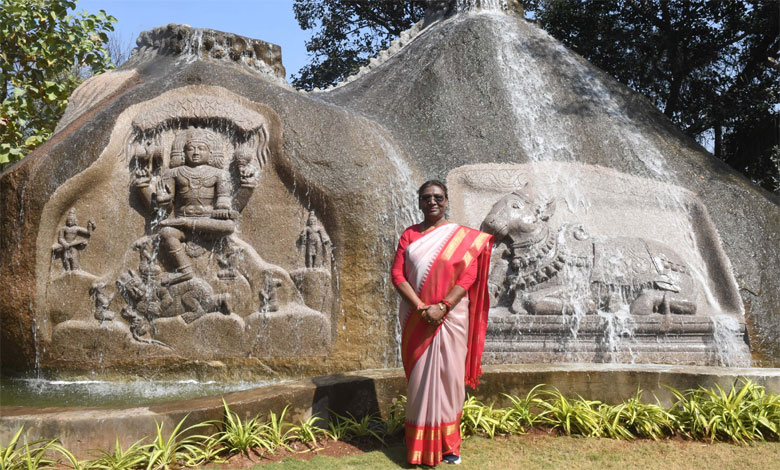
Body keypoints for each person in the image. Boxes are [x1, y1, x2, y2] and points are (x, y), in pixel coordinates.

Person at [391, 180, 493, 466]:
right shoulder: (409, 235)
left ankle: (449, 446)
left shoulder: (463, 238)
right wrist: (423, 307)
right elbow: (397, 275)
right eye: (426, 198)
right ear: (419, 202)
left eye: (438, 197)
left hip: (452, 318)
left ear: (446, 201)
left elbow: (468, 277)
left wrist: (443, 306)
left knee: (449, 380)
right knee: (419, 381)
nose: (432, 202)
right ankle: (419, 449)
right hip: (417, 318)